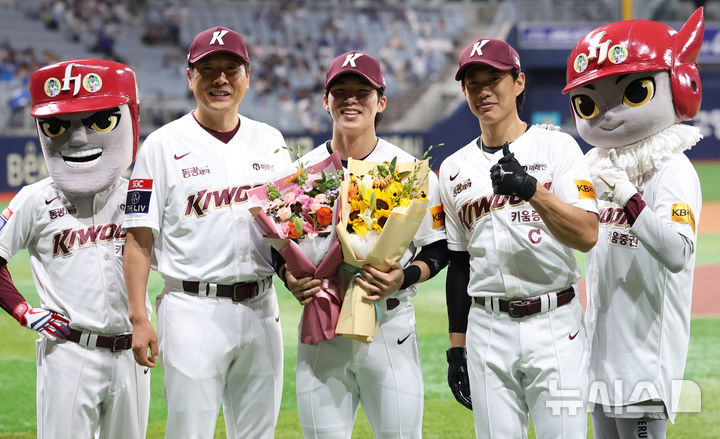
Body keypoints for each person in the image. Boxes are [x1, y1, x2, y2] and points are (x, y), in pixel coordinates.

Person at [122, 26, 291, 438]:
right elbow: (138, 239)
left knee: (258, 432)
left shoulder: (271, 141)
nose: (220, 79)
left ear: (247, 76)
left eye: (231, 69)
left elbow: (290, 231)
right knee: (189, 431)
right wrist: (138, 317)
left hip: (261, 305)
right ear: (189, 77)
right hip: (191, 307)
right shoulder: (161, 146)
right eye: (208, 69)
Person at [438, 38, 599, 438]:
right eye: (473, 82)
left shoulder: (557, 147)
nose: (483, 90)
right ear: (463, 91)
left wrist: (532, 190)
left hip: (555, 324)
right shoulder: (454, 168)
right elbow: (459, 263)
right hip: (487, 330)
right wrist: (457, 349)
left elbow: (587, 233)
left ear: (519, 82)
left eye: (494, 78)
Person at [281, 51, 448, 438]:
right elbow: (280, 247)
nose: (351, 99)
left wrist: (403, 277)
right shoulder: (302, 172)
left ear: (381, 101)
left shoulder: (408, 170)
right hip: (322, 327)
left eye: (363, 91)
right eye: (340, 91)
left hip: (388, 322)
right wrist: (288, 276)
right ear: (326, 101)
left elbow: (438, 250)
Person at [563, 9, 704, 438]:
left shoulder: (672, 170)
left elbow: (678, 253)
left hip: (644, 353)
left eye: (635, 91)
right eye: (588, 102)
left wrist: (629, 198)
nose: (606, 114)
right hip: (601, 349)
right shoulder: (597, 167)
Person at [0, 59, 150, 438]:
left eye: (97, 121)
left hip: (131, 353)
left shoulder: (137, 192)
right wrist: (22, 311)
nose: (79, 138)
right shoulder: (35, 199)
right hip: (69, 351)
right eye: (58, 126)